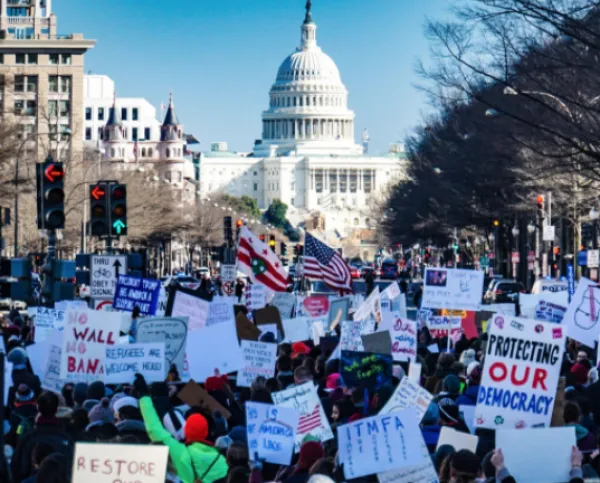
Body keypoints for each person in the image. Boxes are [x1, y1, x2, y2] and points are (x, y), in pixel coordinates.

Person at [135, 374, 228, 483]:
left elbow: (154, 429)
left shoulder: (180, 452)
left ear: (186, 430)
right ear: (206, 431)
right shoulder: (222, 459)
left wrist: (143, 395)